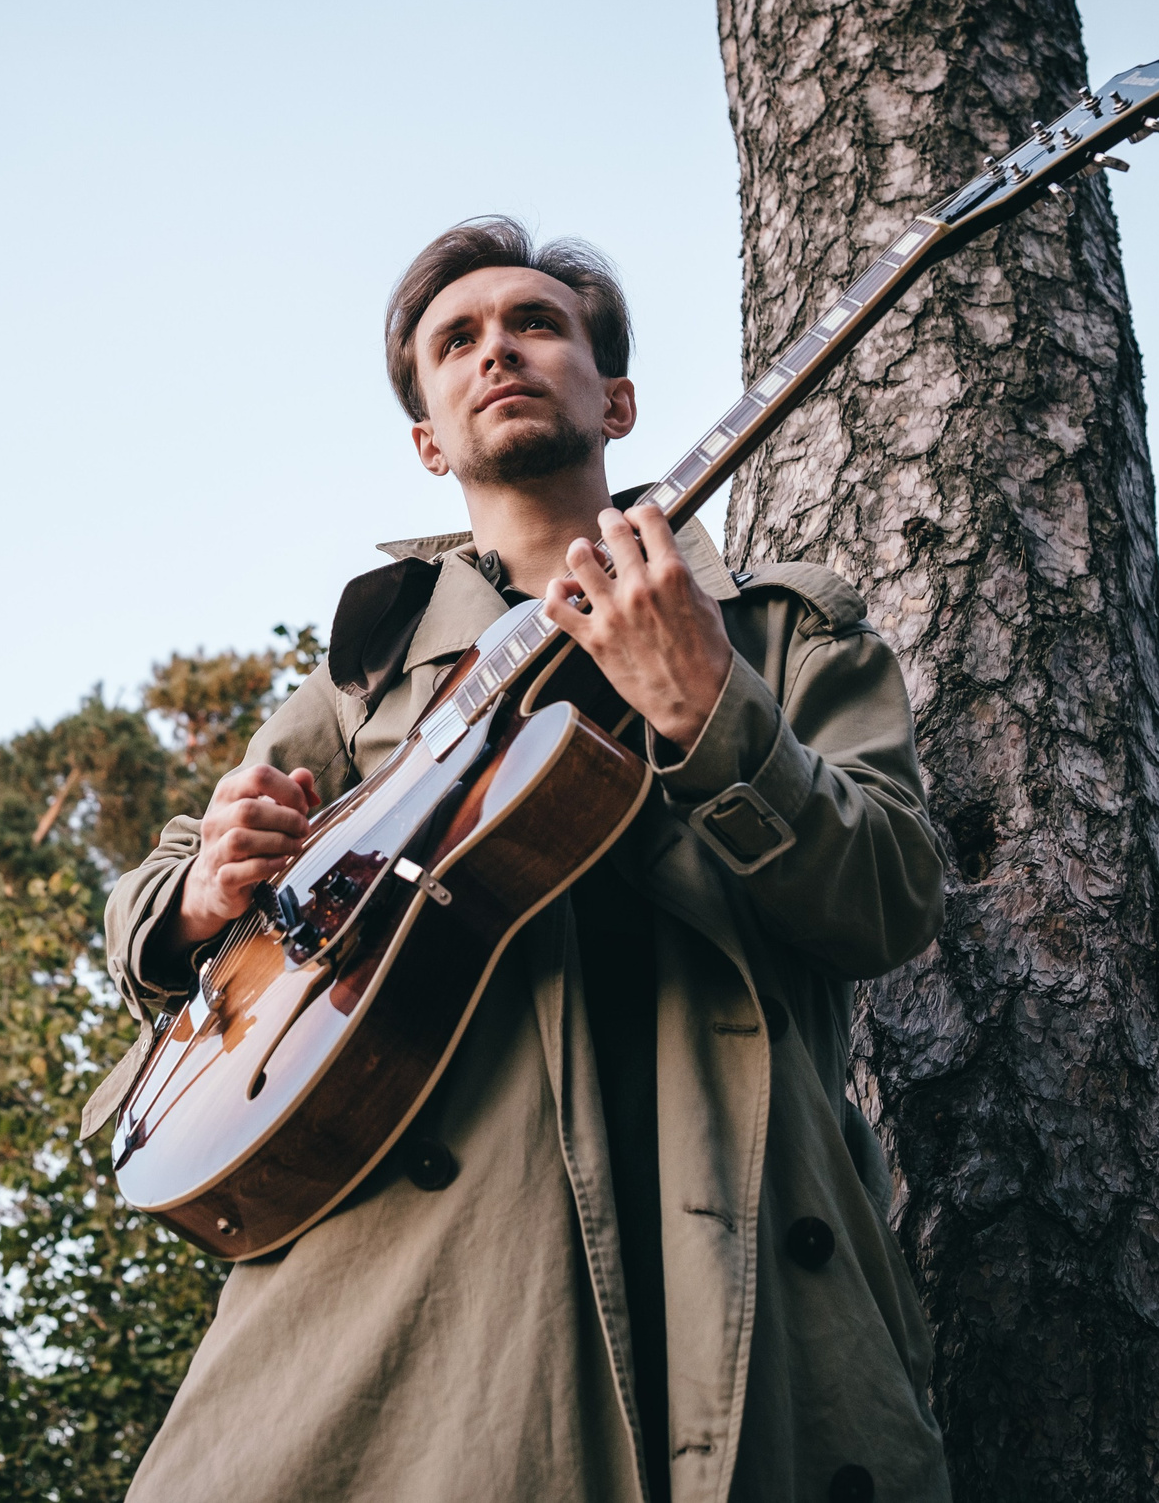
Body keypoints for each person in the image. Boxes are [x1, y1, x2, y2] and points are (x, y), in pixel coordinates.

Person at [97, 218, 951, 1502]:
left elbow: (888, 895)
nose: (498, 347)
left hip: (728, 1245)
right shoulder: (365, 673)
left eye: (536, 324)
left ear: (613, 398)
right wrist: (206, 888)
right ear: (430, 440)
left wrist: (708, 708)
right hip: (402, 1276)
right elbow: (156, 889)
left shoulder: (776, 632)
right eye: (458, 339)